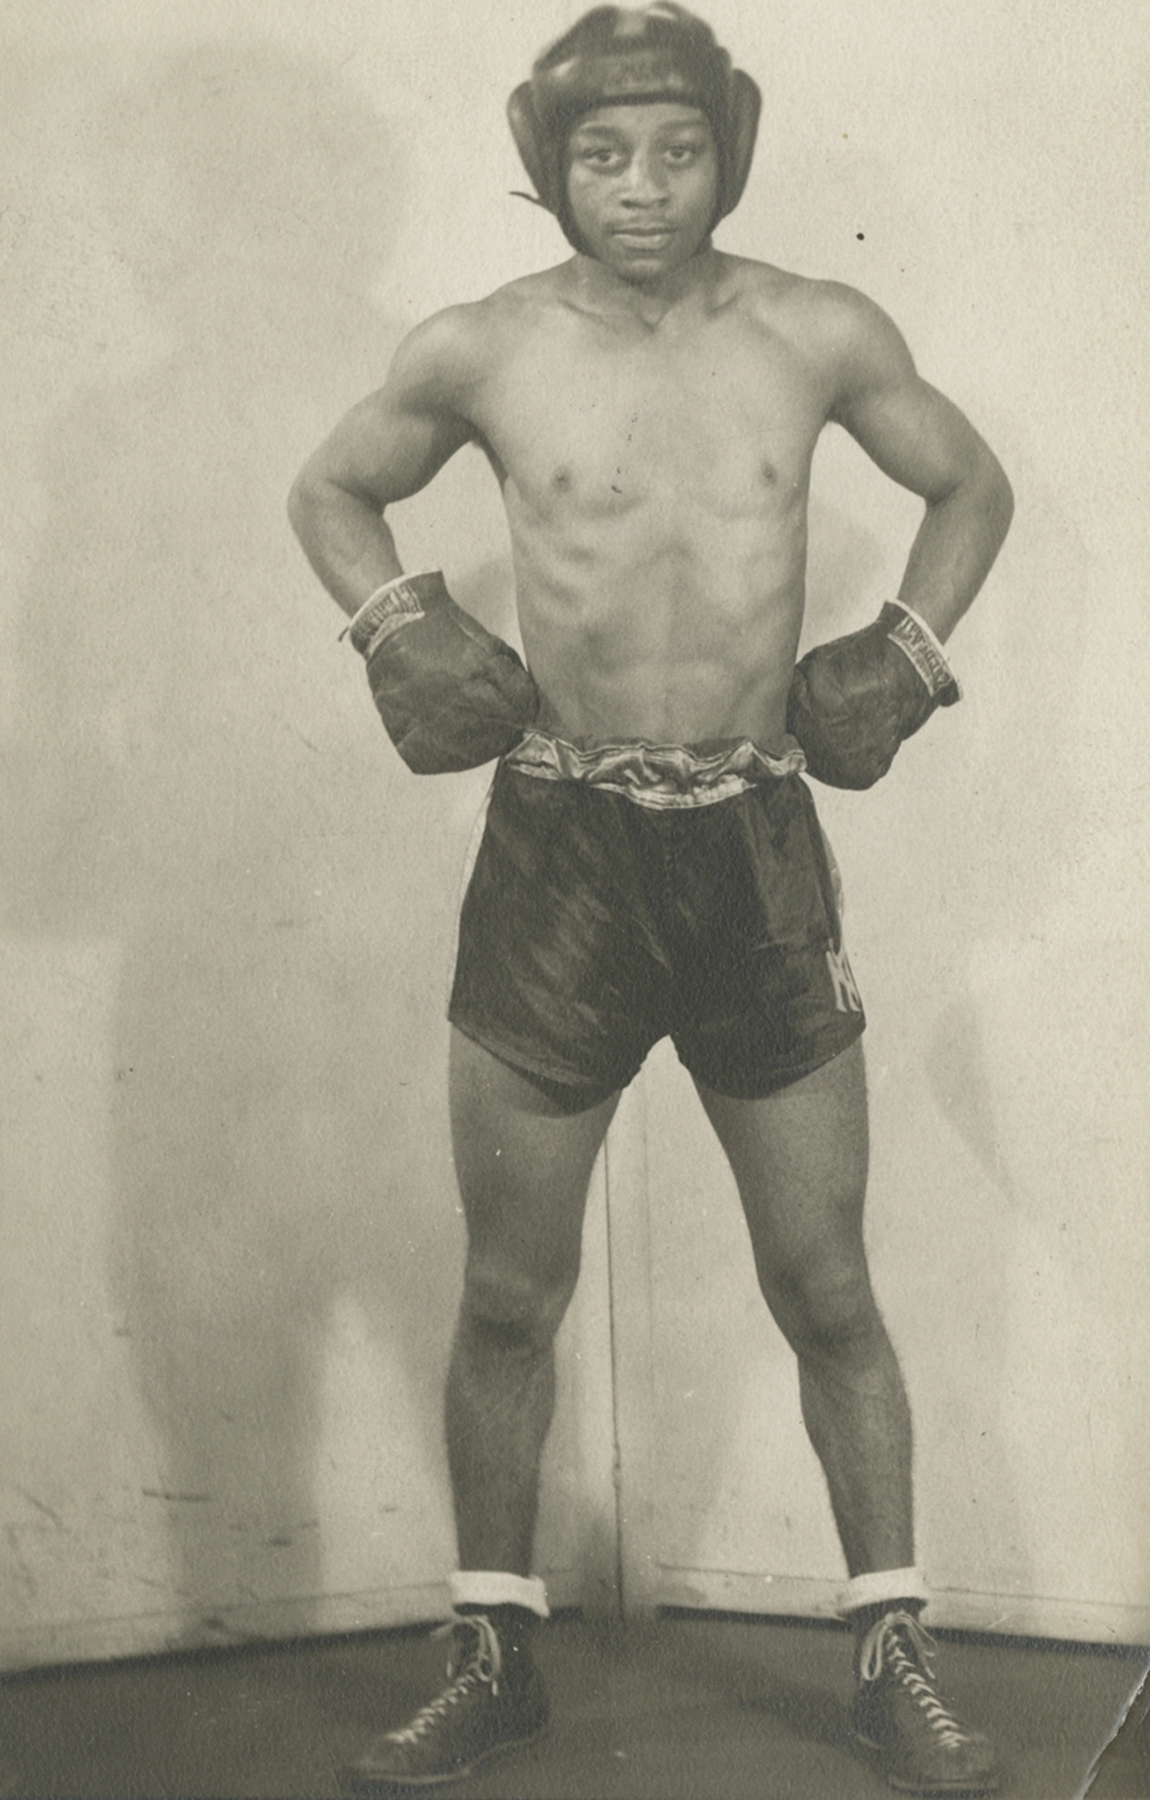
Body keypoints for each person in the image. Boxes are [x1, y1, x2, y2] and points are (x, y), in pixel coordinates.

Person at [287, 6, 1014, 1793]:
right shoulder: (481, 345)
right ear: (547, 162)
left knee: (824, 1279)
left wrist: (908, 654)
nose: (641, 189)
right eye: (603, 155)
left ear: (729, 151)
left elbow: (968, 482)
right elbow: (331, 487)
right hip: (559, 859)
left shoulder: (816, 329)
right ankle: (491, 1653)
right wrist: (391, 624)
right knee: (508, 1291)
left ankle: (892, 1656)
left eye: (677, 151)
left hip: (754, 853)